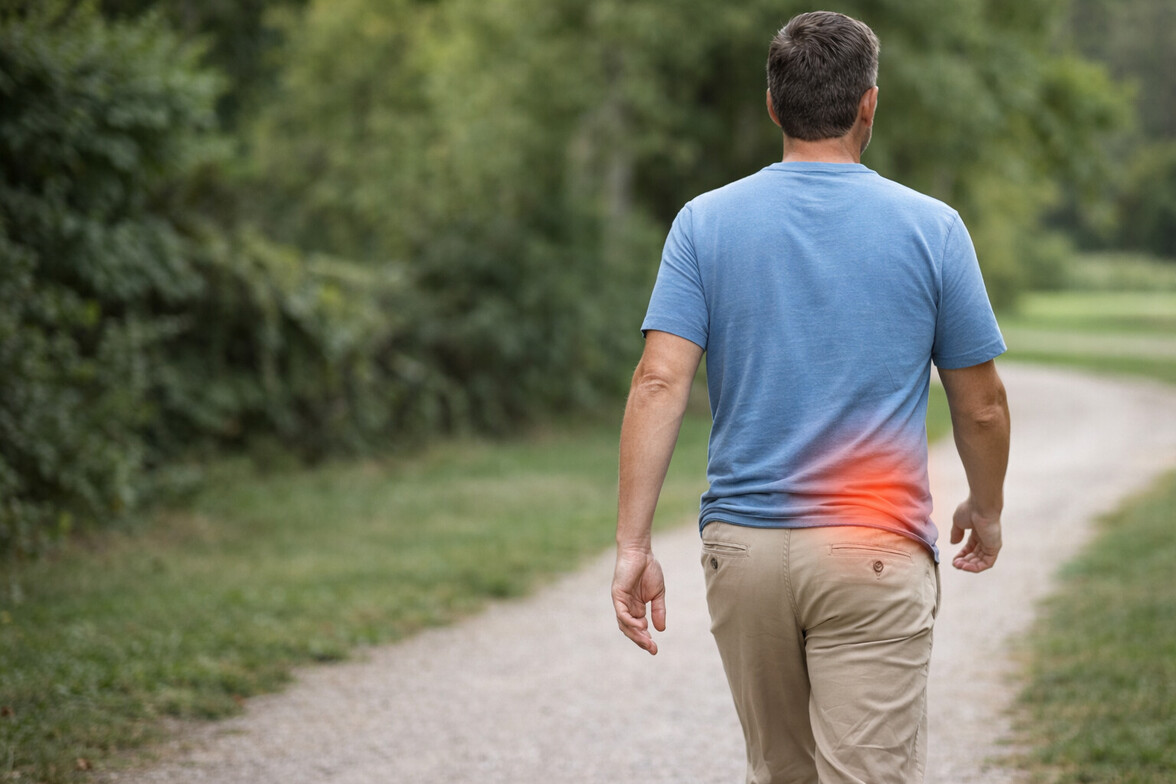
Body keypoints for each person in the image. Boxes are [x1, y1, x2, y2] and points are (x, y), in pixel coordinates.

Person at [610, 10, 1011, 784]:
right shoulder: (933, 228)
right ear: (869, 103)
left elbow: (658, 379)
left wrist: (632, 545)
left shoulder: (704, 223)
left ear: (772, 105)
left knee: (780, 773)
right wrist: (985, 510)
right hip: (872, 547)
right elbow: (982, 404)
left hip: (743, 553)